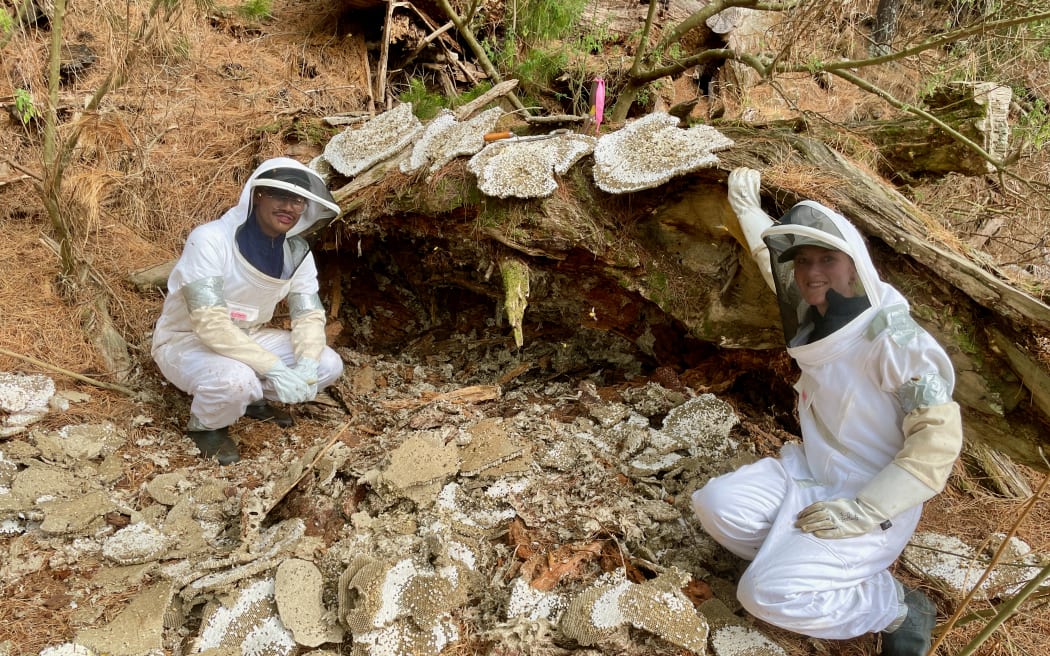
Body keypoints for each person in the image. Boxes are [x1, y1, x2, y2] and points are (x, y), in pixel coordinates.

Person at [691, 168, 963, 655]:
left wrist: (865, 510)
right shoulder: (818, 315)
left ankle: (895, 605)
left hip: (871, 500)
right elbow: (768, 264)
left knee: (762, 594)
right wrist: (750, 212)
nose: (813, 273)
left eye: (827, 260)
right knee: (714, 505)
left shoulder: (896, 342)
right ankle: (803, 560)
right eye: (803, 263)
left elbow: (936, 442)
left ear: (855, 264)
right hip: (812, 473)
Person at [152, 157, 345, 465]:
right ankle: (206, 427)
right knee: (236, 381)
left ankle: (254, 401)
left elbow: (308, 315)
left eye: (298, 201)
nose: (290, 208)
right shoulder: (210, 239)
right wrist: (274, 368)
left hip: (249, 336)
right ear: (257, 195)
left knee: (327, 364)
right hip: (187, 341)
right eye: (281, 196)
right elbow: (210, 323)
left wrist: (307, 361)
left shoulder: (295, 253)